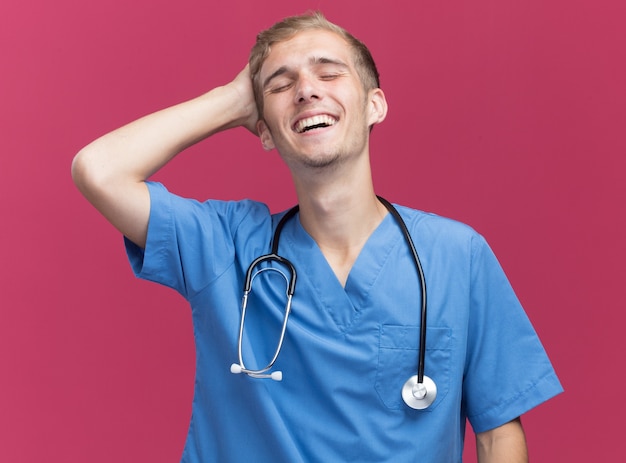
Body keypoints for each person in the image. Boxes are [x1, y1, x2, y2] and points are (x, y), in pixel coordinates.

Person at [72, 11, 562, 463]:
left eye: (329, 73)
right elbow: (99, 171)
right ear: (262, 130)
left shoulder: (457, 256)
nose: (307, 90)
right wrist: (229, 100)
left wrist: (273, 92)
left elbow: (498, 431)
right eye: (282, 85)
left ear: (375, 105)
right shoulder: (227, 248)